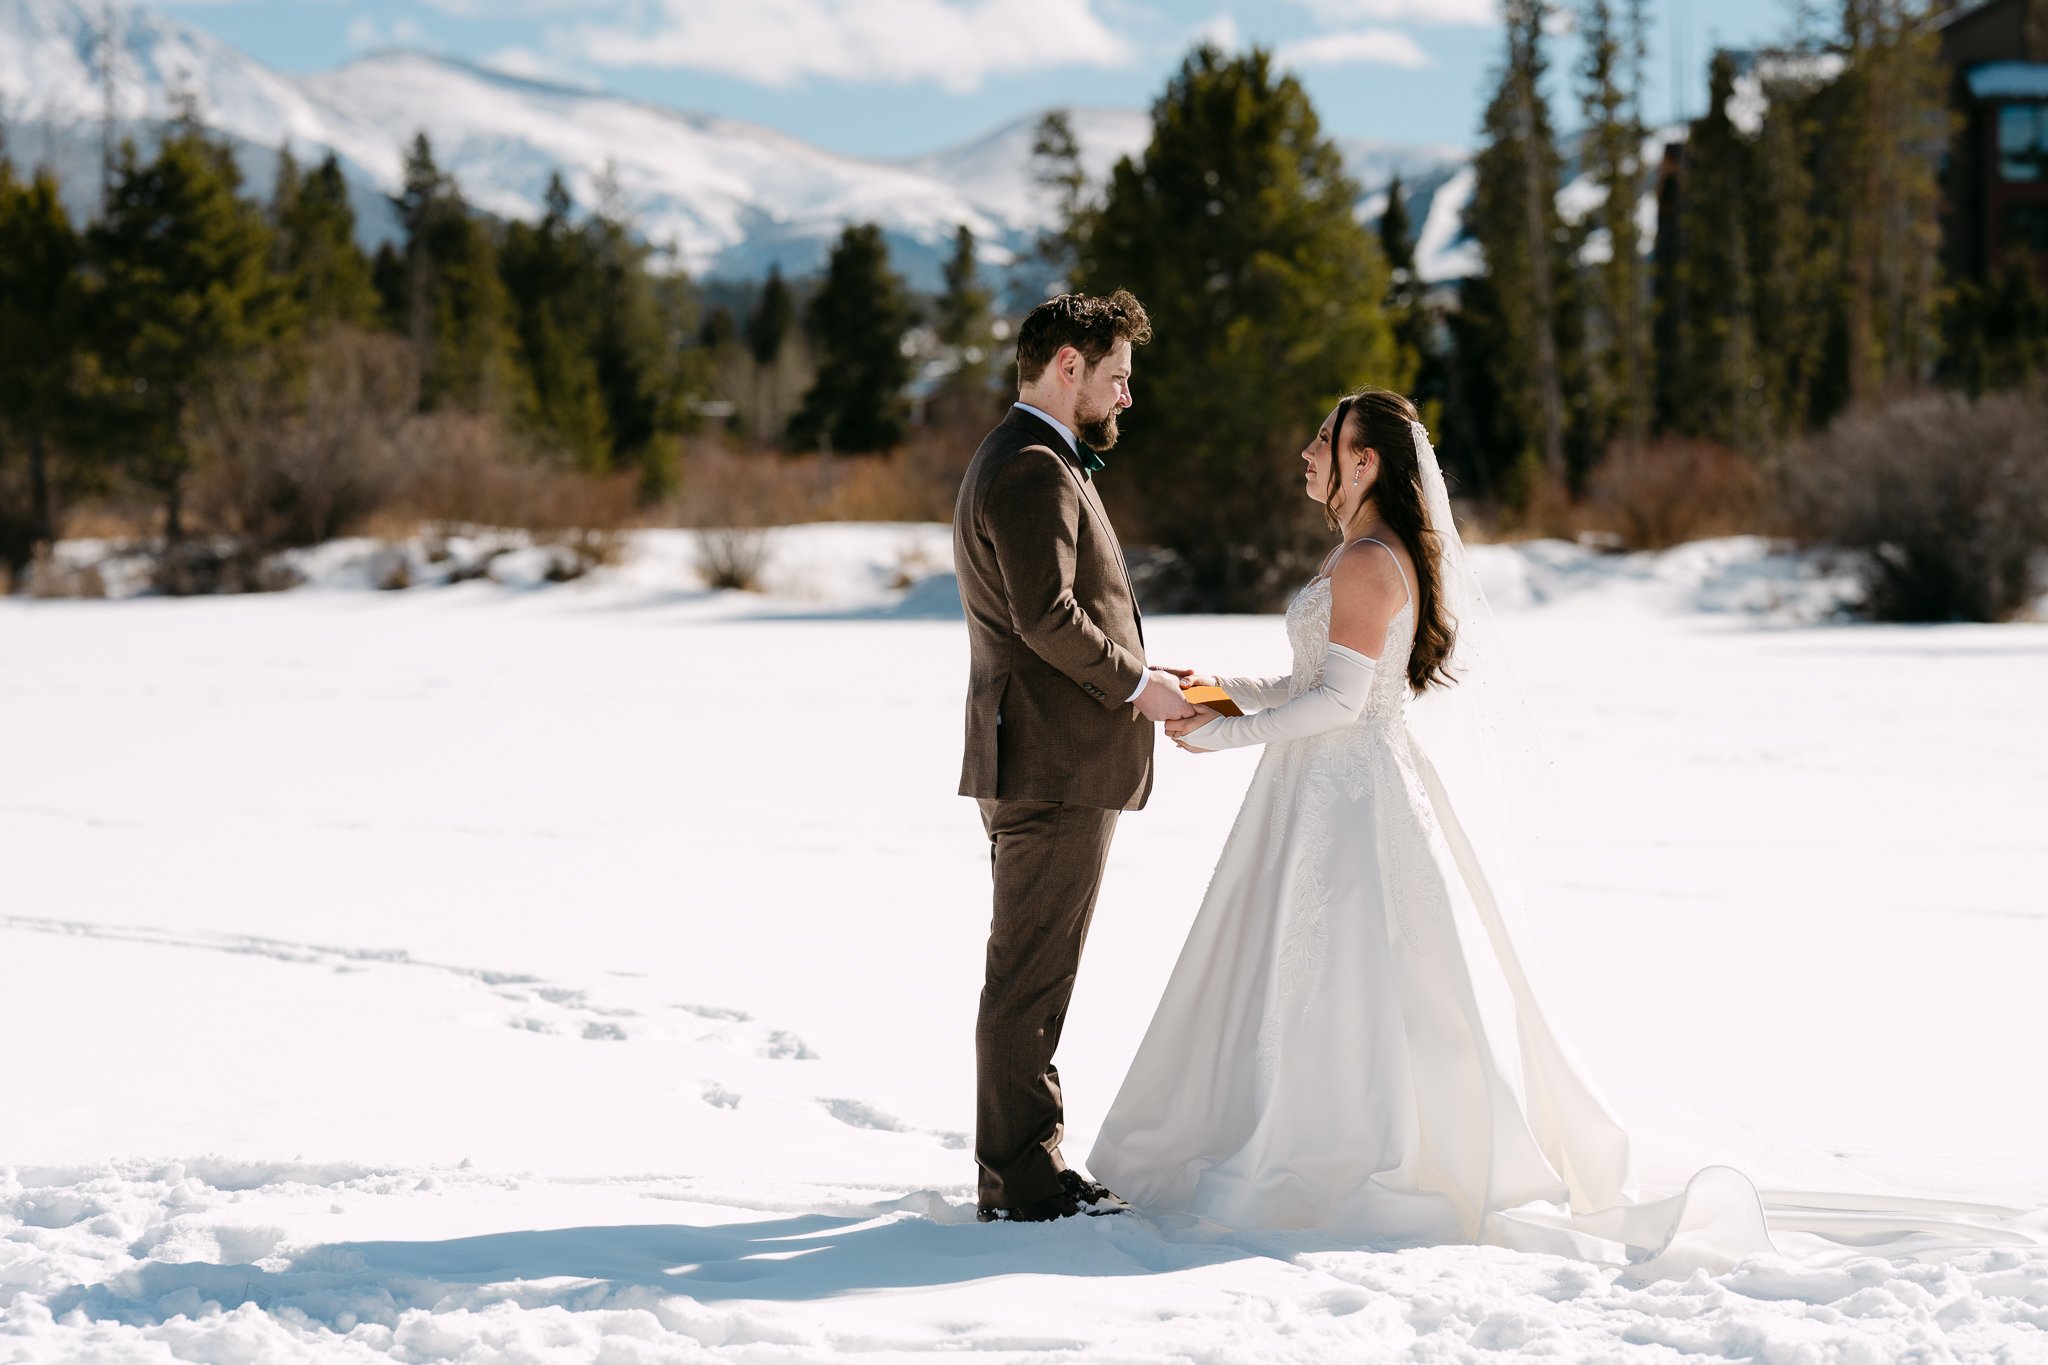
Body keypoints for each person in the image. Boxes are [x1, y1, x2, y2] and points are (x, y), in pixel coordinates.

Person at [1085, 387, 2037, 1273]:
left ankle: (1348, 1149)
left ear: (1364, 463)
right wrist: (1215, 692)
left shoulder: (1371, 562)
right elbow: (1310, 683)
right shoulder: (1353, 554)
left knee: (1358, 972)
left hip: (1354, 800)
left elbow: (1339, 704)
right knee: (1313, 969)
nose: (1306, 453)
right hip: (1317, 792)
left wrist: (1229, 736)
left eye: (1324, 442)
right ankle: (1299, 1128)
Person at [952, 290, 1196, 1224]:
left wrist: (1146, 671)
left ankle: (1020, 1168)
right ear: (1068, 366)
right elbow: (1046, 617)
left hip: (1039, 756)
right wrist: (1137, 687)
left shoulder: (1026, 455)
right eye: (1117, 376)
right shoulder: (1031, 466)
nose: (1126, 396)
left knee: (1030, 971)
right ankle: (1024, 1180)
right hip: (1051, 766)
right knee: (1030, 978)